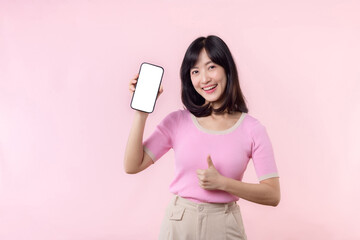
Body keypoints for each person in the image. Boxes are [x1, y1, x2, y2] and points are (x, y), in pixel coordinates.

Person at [124, 35, 280, 240]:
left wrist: (223, 183)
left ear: (227, 69)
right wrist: (141, 113)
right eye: (195, 71)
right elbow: (132, 165)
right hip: (179, 224)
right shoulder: (177, 121)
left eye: (211, 67)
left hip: (225, 225)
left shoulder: (252, 129)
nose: (204, 78)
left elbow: (272, 195)